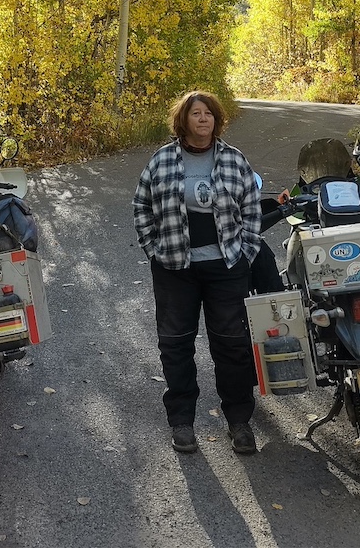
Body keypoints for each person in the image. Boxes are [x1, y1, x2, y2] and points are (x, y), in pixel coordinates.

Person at [132, 90, 263, 455]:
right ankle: (182, 423)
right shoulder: (161, 161)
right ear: (183, 120)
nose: (203, 119)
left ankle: (239, 422)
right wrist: (154, 250)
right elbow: (141, 205)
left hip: (226, 267)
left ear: (216, 120)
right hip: (175, 268)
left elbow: (251, 207)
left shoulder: (235, 160)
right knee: (175, 346)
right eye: (195, 113)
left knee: (232, 345)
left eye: (208, 113)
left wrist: (245, 252)